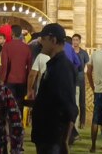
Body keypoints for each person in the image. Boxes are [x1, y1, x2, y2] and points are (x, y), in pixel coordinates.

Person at [30, 24, 78, 154]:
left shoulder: (62, 68)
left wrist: (65, 139)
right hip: (46, 134)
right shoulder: (52, 65)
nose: (41, 43)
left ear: (53, 40)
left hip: (53, 136)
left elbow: (69, 106)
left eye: (43, 39)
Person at [0, 23, 34, 110]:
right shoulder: (27, 47)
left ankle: (11, 122)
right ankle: (20, 122)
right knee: (20, 105)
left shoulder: (6, 46)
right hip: (23, 80)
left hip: (9, 80)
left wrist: (1, 81)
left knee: (9, 105)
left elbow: (4, 65)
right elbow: (30, 66)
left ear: (12, 33)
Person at [72, 34, 90, 131]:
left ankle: (82, 122)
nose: (75, 42)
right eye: (73, 40)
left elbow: (87, 64)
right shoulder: (70, 52)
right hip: (71, 78)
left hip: (81, 78)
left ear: (79, 41)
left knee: (82, 101)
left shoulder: (83, 53)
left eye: (76, 40)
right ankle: (73, 121)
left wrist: (85, 74)